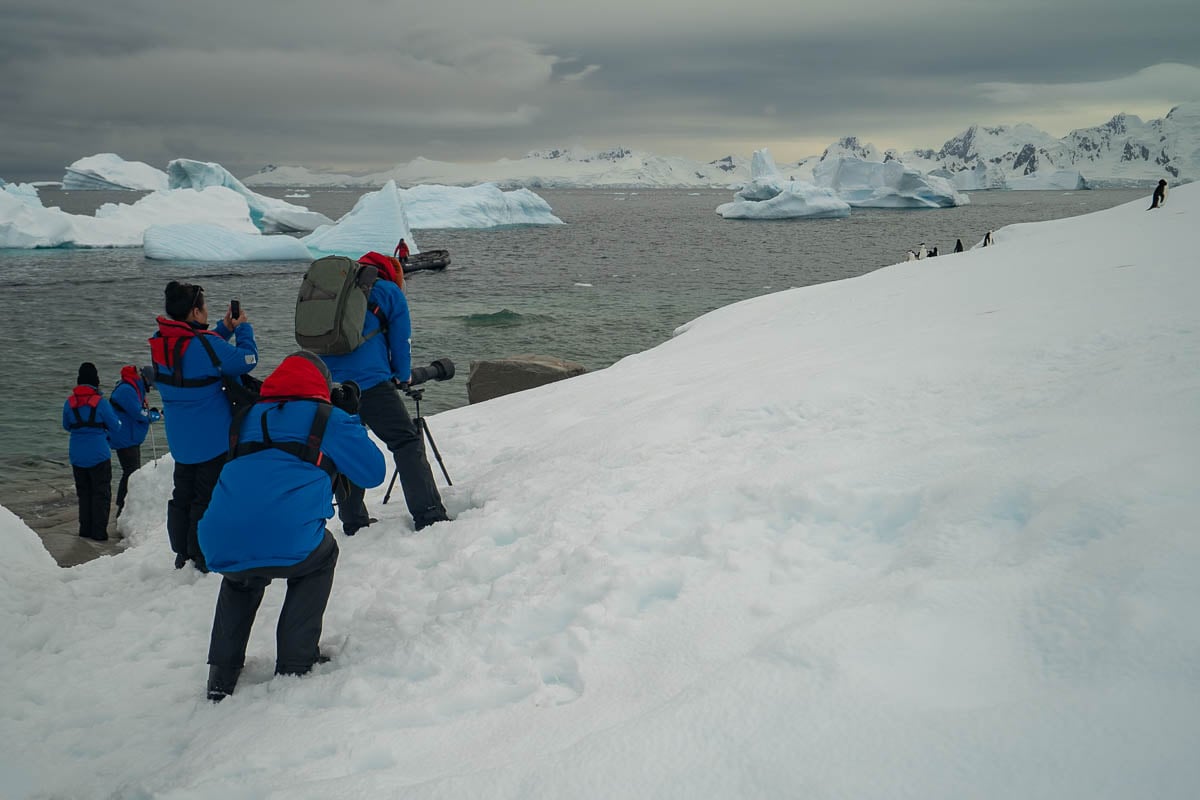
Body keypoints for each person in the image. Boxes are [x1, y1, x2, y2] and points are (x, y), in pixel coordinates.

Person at [199, 352, 386, 701]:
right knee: (321, 555)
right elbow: (372, 473)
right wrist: (350, 417)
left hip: (221, 537)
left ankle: (220, 676)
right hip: (289, 539)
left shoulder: (245, 416)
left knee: (242, 574)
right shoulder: (327, 418)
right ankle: (295, 662)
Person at [318, 258, 450, 534]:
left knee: (349, 446)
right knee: (405, 442)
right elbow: (401, 341)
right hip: (370, 383)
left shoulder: (335, 290)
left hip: (327, 383)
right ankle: (429, 515)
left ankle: (353, 520)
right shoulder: (387, 291)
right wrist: (402, 376)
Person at [149, 281, 258, 572]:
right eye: (205, 308)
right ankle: (201, 557)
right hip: (212, 439)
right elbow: (247, 360)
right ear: (196, 311)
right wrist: (243, 329)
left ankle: (181, 551)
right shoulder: (207, 345)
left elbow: (194, 353)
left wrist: (223, 330)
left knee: (181, 496)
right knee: (205, 498)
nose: (207, 312)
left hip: (181, 441)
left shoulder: (161, 341)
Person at [62, 362, 121, 541]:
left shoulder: (69, 403)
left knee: (84, 493)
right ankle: (99, 533)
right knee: (101, 493)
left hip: (77, 454)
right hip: (98, 454)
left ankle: (85, 530)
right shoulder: (101, 403)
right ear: (96, 380)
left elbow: (66, 426)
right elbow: (115, 426)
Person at [108, 364, 161, 517]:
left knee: (131, 472)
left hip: (128, 436)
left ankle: (124, 508)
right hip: (124, 438)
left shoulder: (133, 387)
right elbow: (139, 413)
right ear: (145, 379)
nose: (151, 388)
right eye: (151, 385)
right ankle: (122, 509)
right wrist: (156, 416)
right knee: (131, 473)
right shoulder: (127, 390)